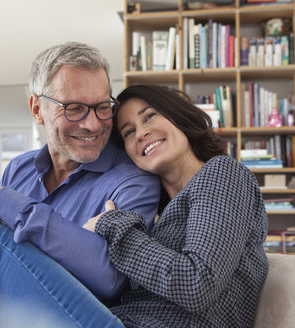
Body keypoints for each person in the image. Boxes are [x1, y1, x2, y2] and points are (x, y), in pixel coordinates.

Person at [0, 43, 160, 328]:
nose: (93, 124)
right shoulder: (18, 169)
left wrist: (3, 202)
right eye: (74, 108)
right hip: (13, 317)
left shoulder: (133, 181)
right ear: (37, 109)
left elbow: (109, 278)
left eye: (102, 108)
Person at [83, 84, 269, 327]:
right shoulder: (156, 216)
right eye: (128, 132)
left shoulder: (222, 173)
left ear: (178, 116)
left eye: (149, 116)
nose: (140, 133)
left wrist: (114, 227)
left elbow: (198, 285)